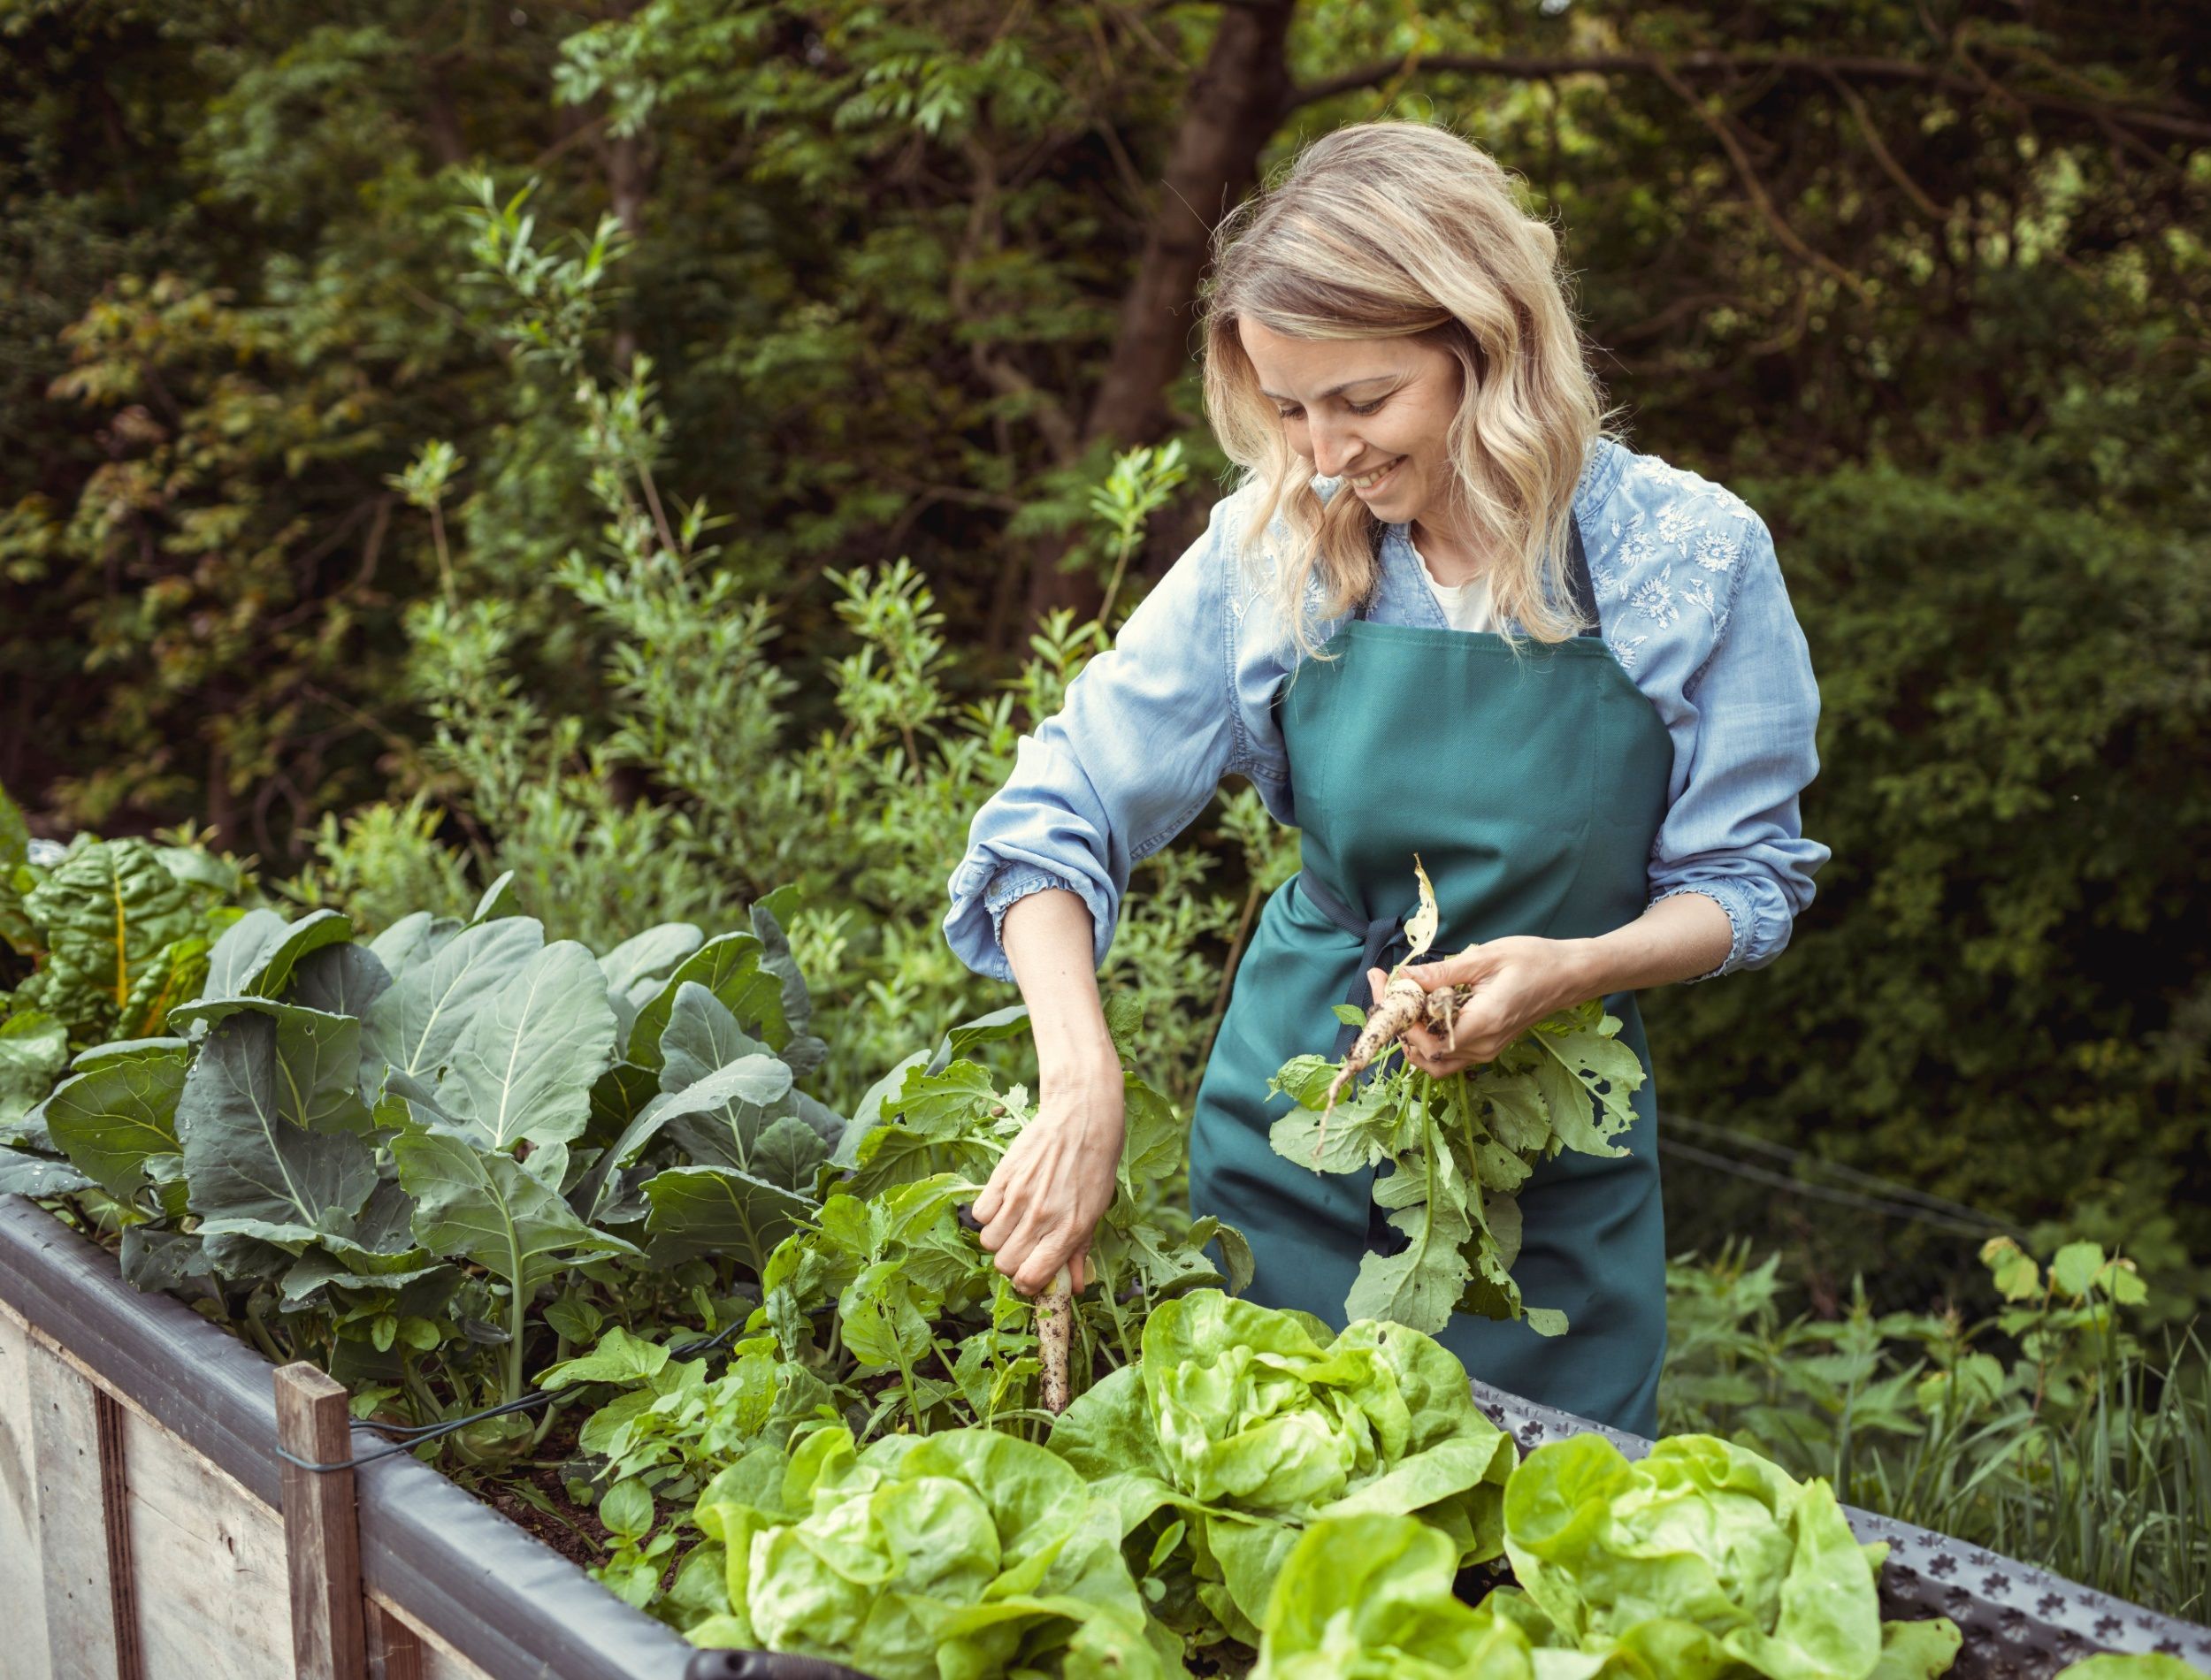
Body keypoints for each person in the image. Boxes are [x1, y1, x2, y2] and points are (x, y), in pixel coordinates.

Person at [938, 119, 1827, 1439]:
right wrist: (1080, 1082)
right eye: (1287, 408)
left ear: (1488, 349)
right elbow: (1051, 817)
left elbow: (1744, 883)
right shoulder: (1273, 548)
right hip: (1293, 1137)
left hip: (1552, 1169)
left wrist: (1576, 968)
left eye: (1362, 402)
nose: (1321, 454)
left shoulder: (1687, 558)